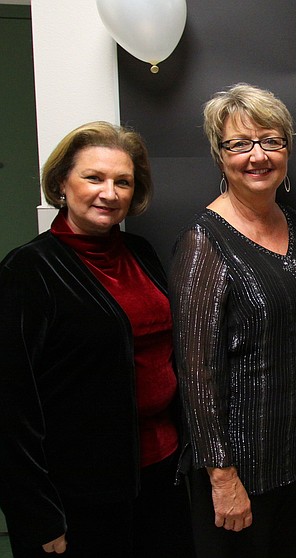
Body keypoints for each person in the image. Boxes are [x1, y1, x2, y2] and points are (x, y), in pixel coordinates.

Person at [0, 121, 193, 557]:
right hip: (80, 496)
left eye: (122, 181)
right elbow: (11, 408)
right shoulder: (28, 271)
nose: (110, 192)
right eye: (94, 178)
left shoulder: (140, 252)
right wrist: (38, 516)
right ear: (62, 184)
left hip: (161, 475)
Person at [169, 83, 296, 558]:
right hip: (239, 476)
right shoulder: (203, 242)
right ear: (219, 155)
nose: (257, 155)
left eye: (271, 141)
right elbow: (196, 372)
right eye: (240, 143)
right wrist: (222, 477)